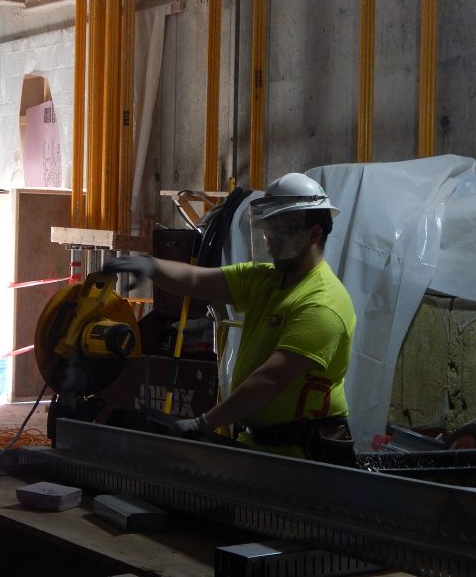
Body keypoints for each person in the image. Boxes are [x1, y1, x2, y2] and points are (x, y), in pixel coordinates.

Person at [103, 173, 357, 465]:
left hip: (302, 458)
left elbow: (269, 380)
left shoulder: (322, 304)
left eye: (281, 231)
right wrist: (149, 265)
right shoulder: (267, 279)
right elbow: (196, 280)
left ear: (314, 234)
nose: (271, 239)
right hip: (261, 446)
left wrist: (204, 422)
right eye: (268, 228)